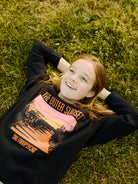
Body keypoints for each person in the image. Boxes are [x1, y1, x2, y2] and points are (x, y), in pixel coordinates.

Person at [0, 42, 137, 184]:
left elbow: (133, 117)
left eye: (84, 79)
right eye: (72, 71)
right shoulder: (39, 85)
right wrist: (72, 72)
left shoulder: (88, 123)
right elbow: (38, 49)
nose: (73, 78)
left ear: (91, 92)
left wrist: (100, 92)